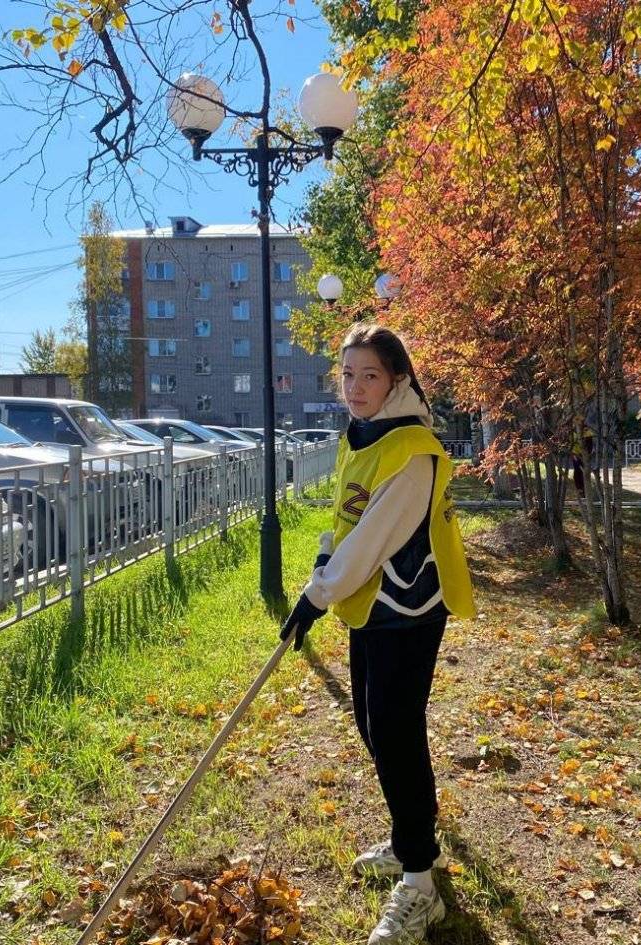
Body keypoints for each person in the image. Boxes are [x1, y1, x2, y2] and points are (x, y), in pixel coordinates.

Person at [280, 324, 475, 945]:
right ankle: (413, 839)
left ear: (397, 379)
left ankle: (420, 883)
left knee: (394, 732)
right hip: (369, 606)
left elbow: (377, 537)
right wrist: (323, 558)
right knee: (376, 728)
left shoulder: (412, 447)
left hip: (408, 607)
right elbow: (348, 519)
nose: (356, 387)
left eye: (370, 375)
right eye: (347, 375)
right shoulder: (361, 435)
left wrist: (317, 595)